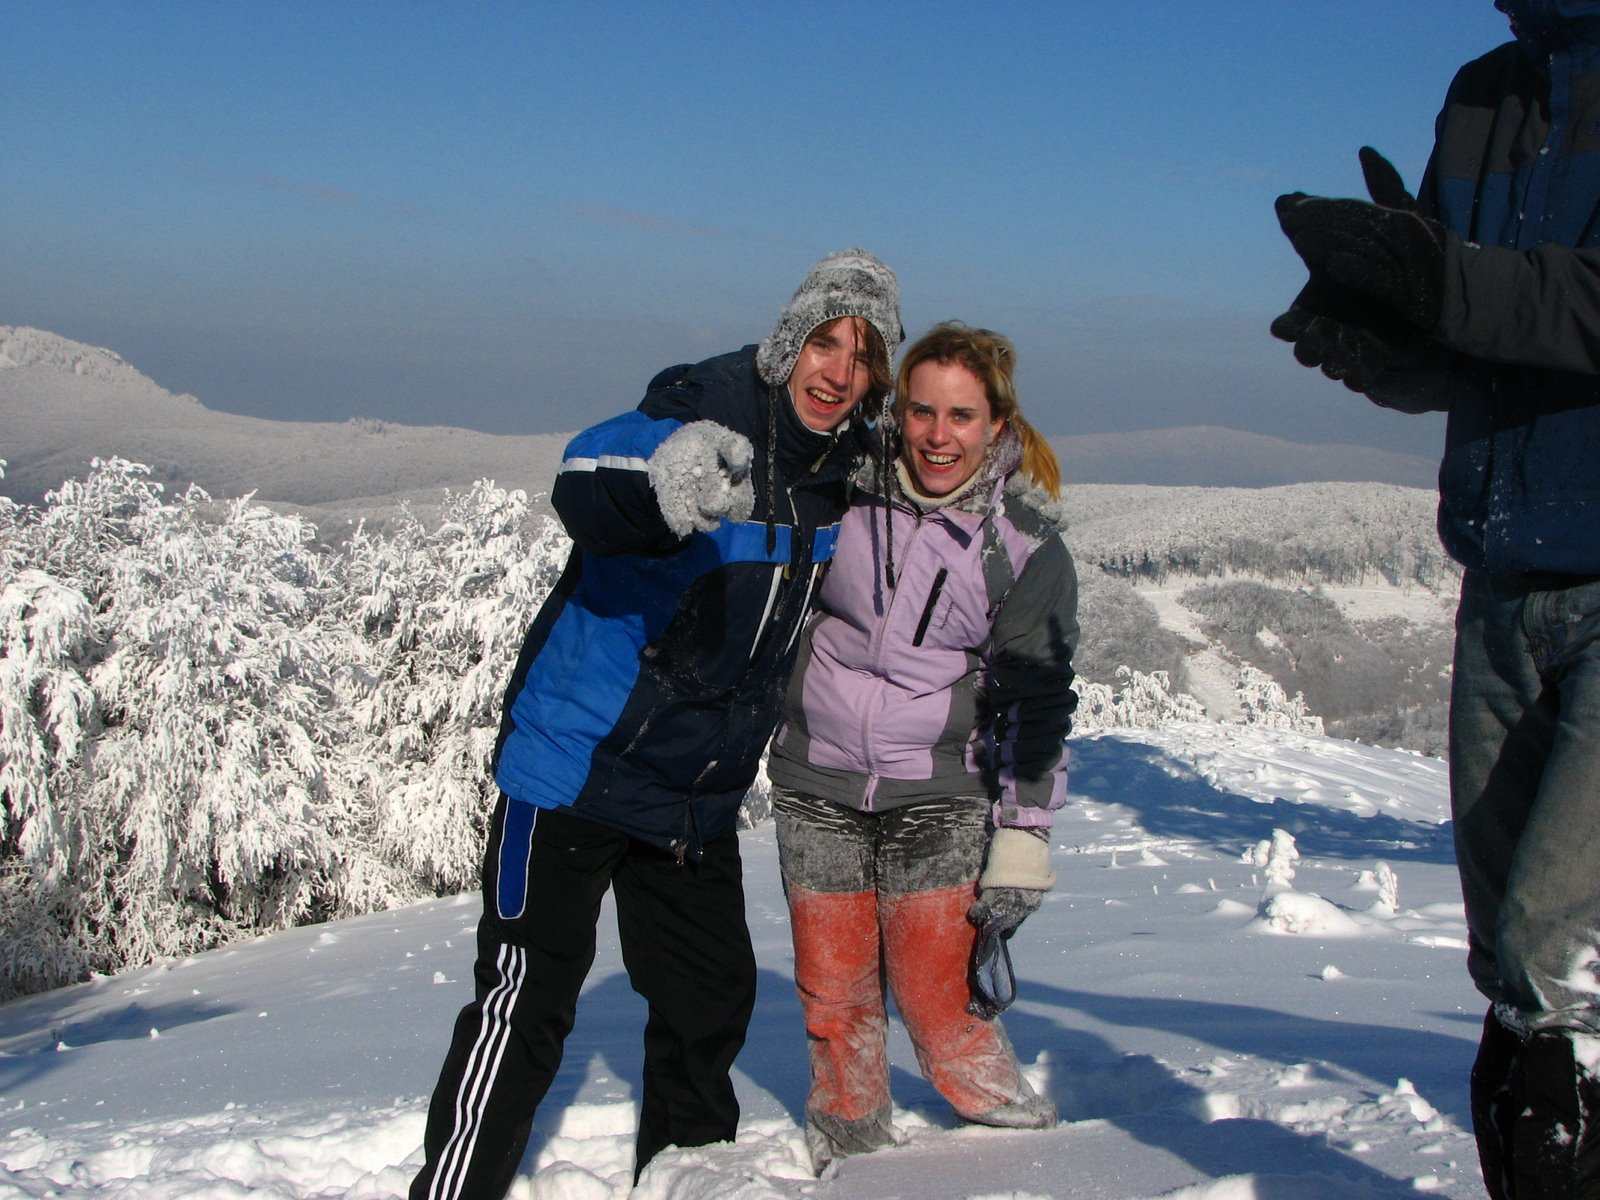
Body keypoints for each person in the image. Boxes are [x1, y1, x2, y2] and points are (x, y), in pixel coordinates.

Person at [408, 249, 903, 1200]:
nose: (838, 371)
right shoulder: (705, 413)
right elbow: (589, 473)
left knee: (707, 1007)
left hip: (690, 803)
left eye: (863, 356)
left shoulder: (845, 473)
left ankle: (686, 1185)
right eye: (825, 342)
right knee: (524, 1005)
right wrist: (661, 479)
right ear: (789, 343)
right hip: (574, 767)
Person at [1269, 4, 1600, 1194]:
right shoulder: (1480, 92)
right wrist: (1381, 338)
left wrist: (1440, 281)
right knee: (1509, 978)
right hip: (1501, 575)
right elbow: (1466, 342)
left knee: (1556, 963)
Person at [765, 321, 1079, 1173]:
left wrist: (1024, 835)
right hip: (817, 779)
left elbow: (1036, 700)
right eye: (922, 412)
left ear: (997, 423)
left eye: (962, 416)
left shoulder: (1023, 543)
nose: (939, 436)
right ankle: (852, 1144)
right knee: (834, 992)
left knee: (938, 996)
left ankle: (1013, 1134)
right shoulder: (843, 487)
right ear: (898, 412)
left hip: (940, 790)